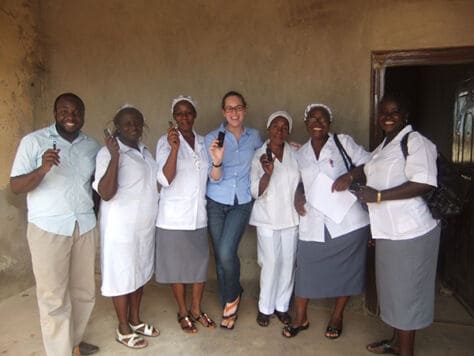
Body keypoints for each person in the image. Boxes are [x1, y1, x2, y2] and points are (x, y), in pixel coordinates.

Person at [10, 93, 100, 356]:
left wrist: (94, 212)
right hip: (48, 229)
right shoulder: (33, 142)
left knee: (84, 292)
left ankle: (73, 342)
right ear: (55, 112)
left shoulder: (91, 145)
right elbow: (15, 186)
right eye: (64, 111)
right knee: (53, 296)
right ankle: (58, 352)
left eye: (76, 111)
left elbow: (94, 186)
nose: (70, 116)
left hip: (83, 226)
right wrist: (41, 169)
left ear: (83, 114)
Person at [350, 94, 439, 356]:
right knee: (393, 291)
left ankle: (406, 351)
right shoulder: (384, 146)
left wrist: (377, 196)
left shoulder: (415, 142)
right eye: (383, 112)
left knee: (408, 294)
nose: (388, 117)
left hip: (411, 231)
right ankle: (396, 341)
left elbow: (424, 182)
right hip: (388, 232)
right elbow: (367, 168)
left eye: (394, 112)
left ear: (405, 115)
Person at [282, 103, 371, 339]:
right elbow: (300, 180)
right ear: (306, 124)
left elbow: (371, 162)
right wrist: (299, 193)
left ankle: (337, 316)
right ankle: (301, 318)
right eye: (312, 119)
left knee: (347, 270)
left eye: (322, 119)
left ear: (329, 123)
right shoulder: (300, 154)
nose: (317, 123)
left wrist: (350, 175)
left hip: (348, 221)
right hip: (313, 222)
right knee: (305, 270)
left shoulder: (343, 142)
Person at [93, 105, 159, 349]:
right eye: (127, 123)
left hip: (143, 227)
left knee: (139, 272)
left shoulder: (145, 151)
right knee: (121, 276)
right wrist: (115, 156)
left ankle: (135, 319)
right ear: (117, 126)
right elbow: (106, 193)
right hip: (120, 229)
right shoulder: (106, 153)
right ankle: (123, 328)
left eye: (137, 123)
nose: (133, 127)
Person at [155, 96, 216, 333]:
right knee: (177, 268)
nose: (184, 117)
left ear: (195, 115)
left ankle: (196, 309)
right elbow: (165, 179)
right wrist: (174, 148)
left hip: (198, 215)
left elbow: (213, 174)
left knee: (200, 265)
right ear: (174, 117)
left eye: (188, 113)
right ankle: (182, 310)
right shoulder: (165, 141)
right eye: (179, 114)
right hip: (172, 217)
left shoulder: (204, 142)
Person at [205, 90, 263, 329]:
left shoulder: (254, 136)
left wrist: (289, 147)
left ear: (245, 109)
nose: (234, 112)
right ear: (223, 112)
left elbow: (266, 152)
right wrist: (217, 161)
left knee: (227, 252)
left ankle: (231, 300)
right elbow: (214, 178)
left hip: (242, 202)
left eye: (238, 107)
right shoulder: (213, 137)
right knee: (220, 256)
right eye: (229, 108)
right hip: (217, 201)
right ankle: (229, 298)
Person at [249, 111, 299, 327]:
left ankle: (282, 307)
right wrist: (267, 173)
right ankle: (265, 308)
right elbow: (254, 191)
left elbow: (305, 179)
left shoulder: (296, 152)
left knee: (288, 263)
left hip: (290, 217)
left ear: (289, 131)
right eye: (276, 126)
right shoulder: (258, 155)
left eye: (284, 127)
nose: (280, 130)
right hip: (267, 218)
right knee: (270, 263)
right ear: (268, 129)